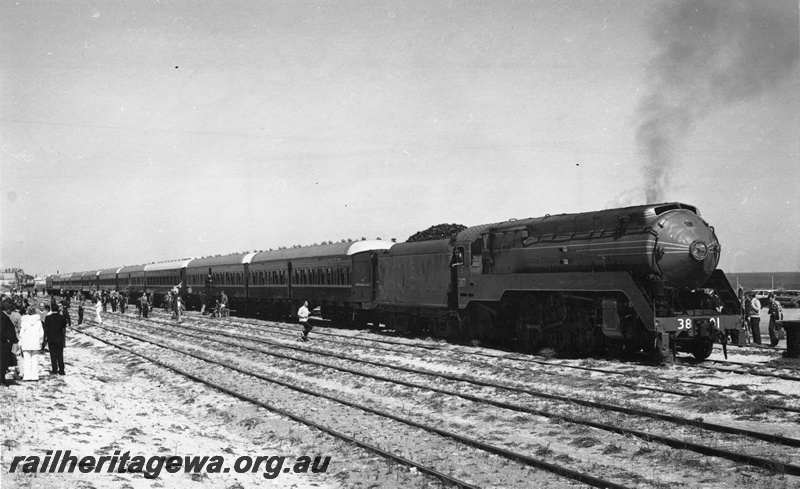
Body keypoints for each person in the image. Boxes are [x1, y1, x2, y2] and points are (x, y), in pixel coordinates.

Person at [19, 306, 44, 381]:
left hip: (26, 342)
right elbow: (41, 333)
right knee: (34, 359)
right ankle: (35, 376)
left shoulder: (24, 322)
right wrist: (40, 342)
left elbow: (21, 333)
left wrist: (21, 342)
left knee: (26, 360)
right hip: (35, 342)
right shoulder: (38, 322)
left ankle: (27, 376)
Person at [43, 304, 67, 375]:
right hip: (59, 338)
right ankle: (62, 370)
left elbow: (46, 329)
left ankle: (54, 369)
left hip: (51, 338)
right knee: (60, 354)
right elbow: (64, 327)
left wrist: (45, 338)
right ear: (58, 310)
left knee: (53, 354)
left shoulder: (48, 318)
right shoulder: (62, 317)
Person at [1, 297, 20, 386]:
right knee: (3, 361)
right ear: (8, 309)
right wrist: (8, 339)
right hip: (3, 344)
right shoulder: (3, 317)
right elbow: (1, 330)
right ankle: (1, 379)